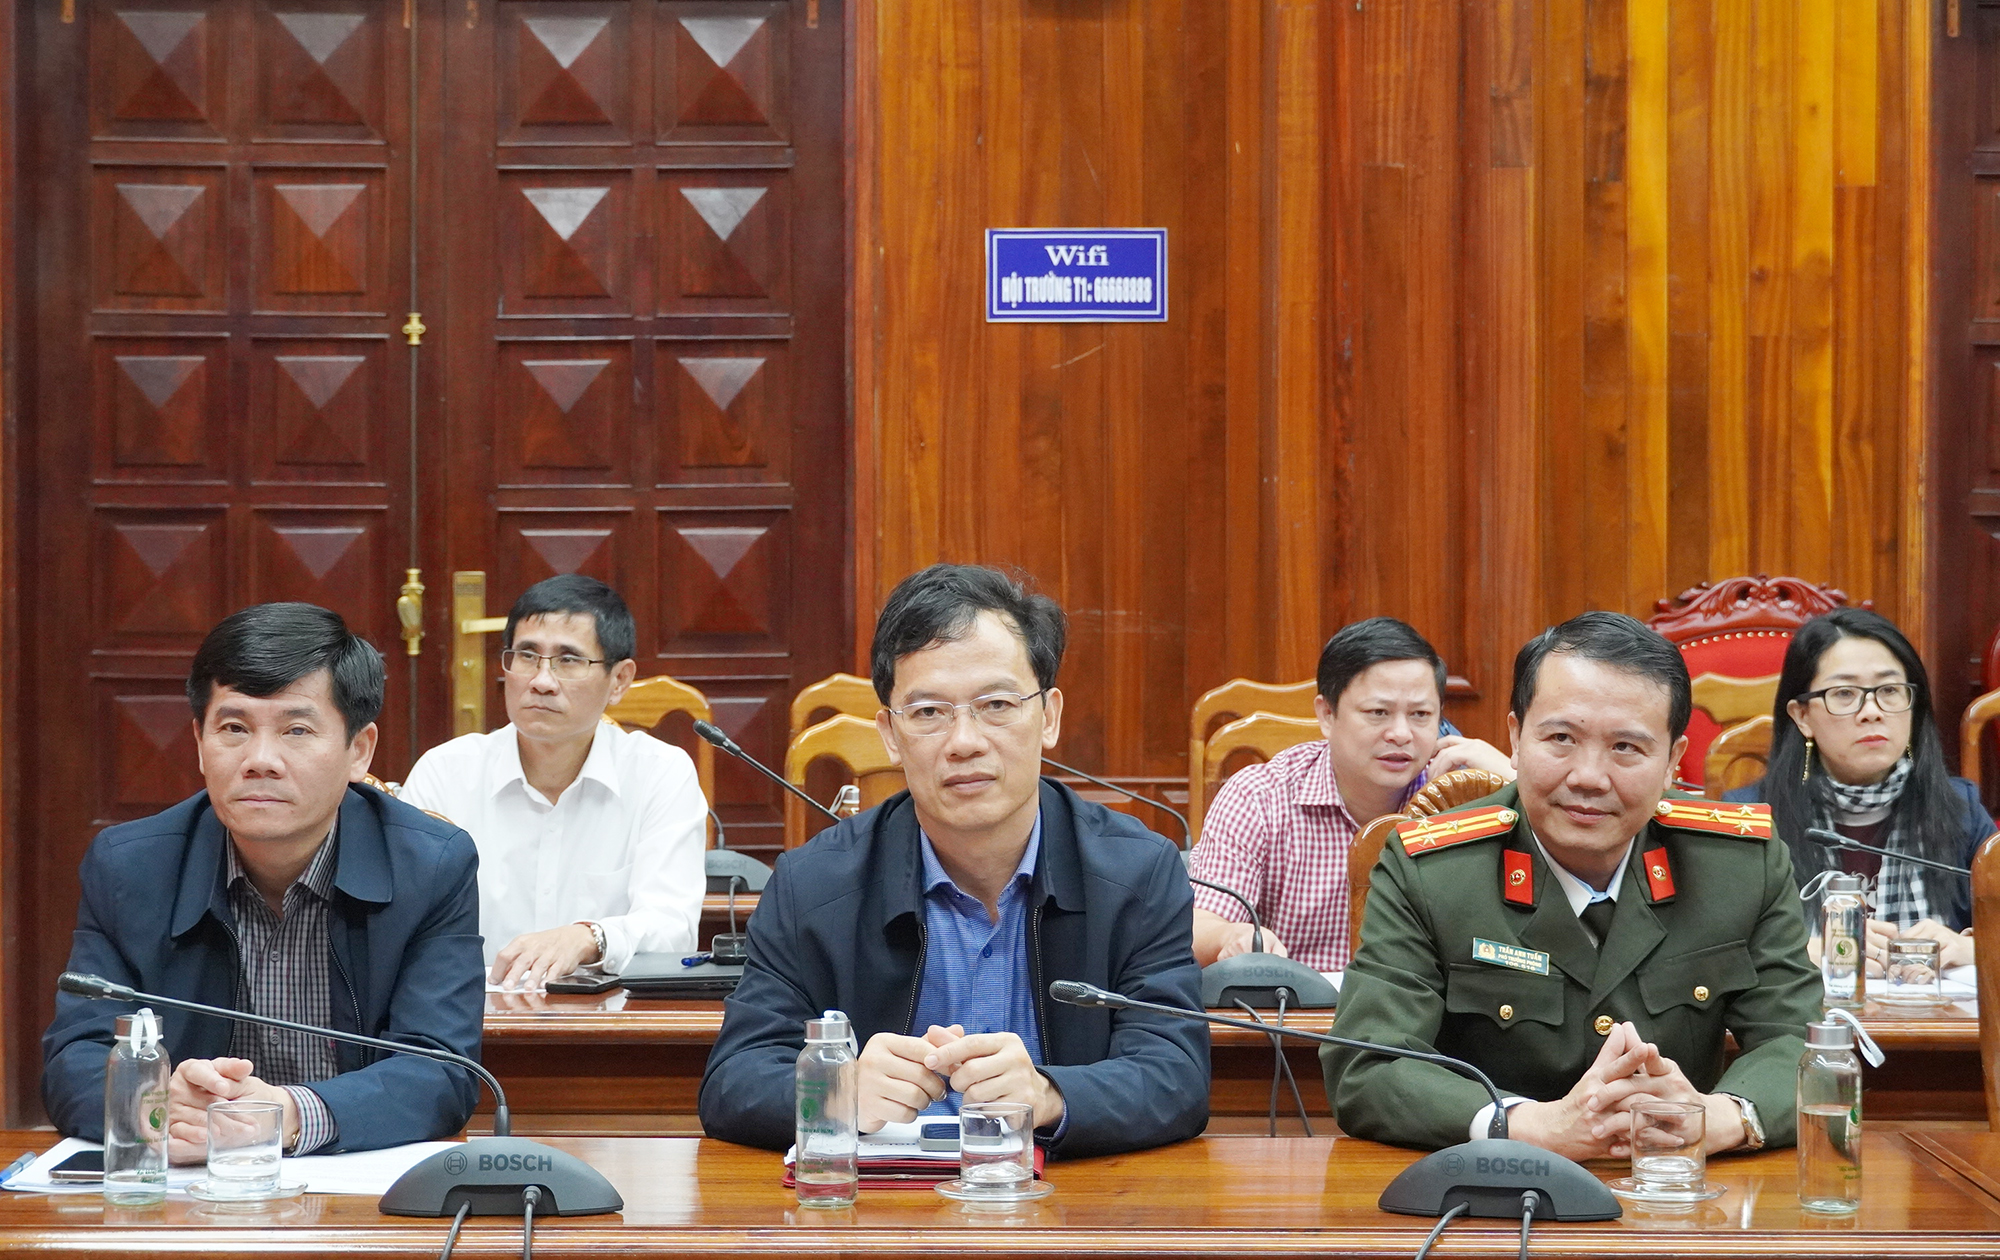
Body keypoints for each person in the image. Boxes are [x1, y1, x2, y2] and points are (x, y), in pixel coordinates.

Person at [699, 564, 1208, 1158]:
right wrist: (837, 1091)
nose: (965, 741)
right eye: (928, 713)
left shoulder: (1138, 873)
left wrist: (1049, 1094)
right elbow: (733, 1080)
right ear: (890, 734)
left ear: (1049, 716)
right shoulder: (811, 886)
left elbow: (1176, 1073)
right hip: (877, 1207)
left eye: (996, 704)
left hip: (1068, 1202)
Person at [1324, 612, 1823, 1157]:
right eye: (1561, 738)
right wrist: (1529, 1125)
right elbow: (1368, 1065)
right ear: (1516, 738)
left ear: (1672, 761)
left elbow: (1804, 1043)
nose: (1588, 777)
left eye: (1626, 747)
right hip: (1495, 1189)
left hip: (1676, 1183)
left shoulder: (1738, 865)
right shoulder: (1431, 870)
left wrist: (1720, 1118)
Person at [42, 604, 483, 1160]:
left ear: (359, 750)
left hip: (351, 1180)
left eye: (297, 730)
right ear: (200, 742)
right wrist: (155, 1106)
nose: (261, 760)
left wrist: (285, 1115)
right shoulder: (130, 868)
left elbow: (441, 1068)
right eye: (234, 728)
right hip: (189, 1184)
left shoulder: (431, 866)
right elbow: (75, 1059)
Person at [400, 575, 707, 988]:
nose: (541, 681)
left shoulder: (659, 774)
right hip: (470, 1012)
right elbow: (406, 926)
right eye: (527, 656)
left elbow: (673, 929)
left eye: (569, 660)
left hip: (610, 1016)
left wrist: (590, 937)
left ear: (619, 680)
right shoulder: (446, 774)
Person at [1189, 618, 1513, 971]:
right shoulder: (1259, 797)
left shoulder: (1466, 799)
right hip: (1296, 1001)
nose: (1401, 733)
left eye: (1420, 714)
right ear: (1327, 715)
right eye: (1378, 713)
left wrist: (1517, 785)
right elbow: (1200, 926)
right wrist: (1231, 936)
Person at [1723, 608, 1988, 972]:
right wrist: (1802, 952)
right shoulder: (1750, 819)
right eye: (1845, 693)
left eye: (1890, 690)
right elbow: (1714, 951)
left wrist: (1972, 948)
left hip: (1935, 1007)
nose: (1871, 711)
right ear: (1802, 716)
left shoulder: (1961, 810)